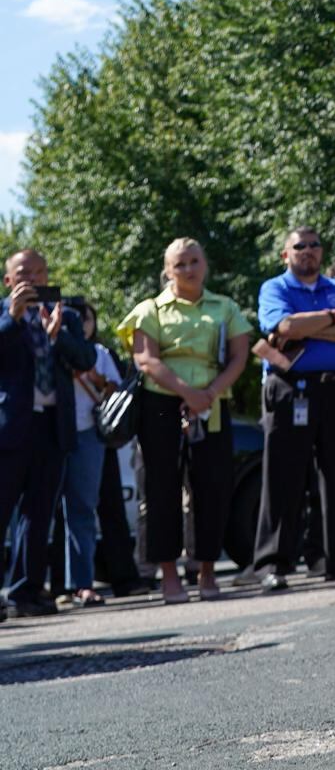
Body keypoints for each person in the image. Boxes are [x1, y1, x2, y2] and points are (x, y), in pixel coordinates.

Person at [115, 239, 252, 603]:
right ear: (168, 270)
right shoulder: (150, 310)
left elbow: (240, 356)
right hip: (161, 402)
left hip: (212, 404)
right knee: (160, 488)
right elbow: (146, 360)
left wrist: (209, 393)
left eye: (194, 262)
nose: (188, 270)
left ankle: (206, 571)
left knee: (213, 487)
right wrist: (186, 393)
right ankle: (169, 576)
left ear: (205, 264)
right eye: (180, 264)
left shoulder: (225, 307)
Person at [252, 228, 335, 591]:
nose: (307, 252)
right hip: (290, 390)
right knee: (282, 479)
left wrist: (308, 328)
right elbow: (283, 326)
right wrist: (330, 319)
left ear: (322, 252)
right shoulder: (274, 289)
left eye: (314, 245)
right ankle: (273, 563)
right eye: (299, 246)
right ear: (285, 255)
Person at [0, 250, 95, 618]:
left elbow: (86, 360)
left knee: (39, 515)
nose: (34, 278)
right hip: (11, 427)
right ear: (9, 280)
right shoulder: (4, 314)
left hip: (52, 427)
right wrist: (12, 317)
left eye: (41, 272)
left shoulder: (65, 315)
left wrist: (59, 337)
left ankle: (26, 592)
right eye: (25, 272)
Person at [61, 298, 121, 606]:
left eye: (84, 318)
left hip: (88, 433)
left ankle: (81, 583)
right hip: (49, 433)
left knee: (82, 509)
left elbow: (116, 391)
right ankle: (46, 585)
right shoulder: (44, 344)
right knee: (38, 514)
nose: (80, 323)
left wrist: (92, 377)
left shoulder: (97, 353)